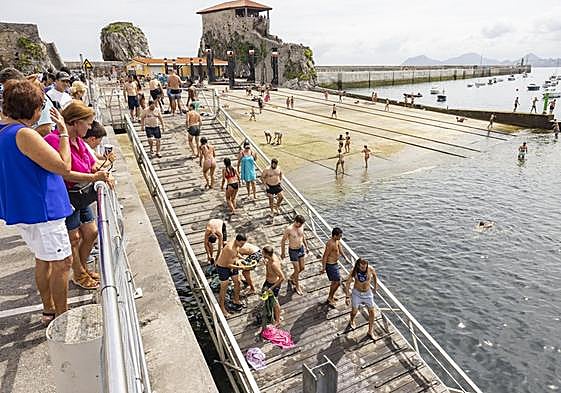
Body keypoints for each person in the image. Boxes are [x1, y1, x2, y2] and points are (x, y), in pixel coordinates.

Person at [0, 80, 73, 325]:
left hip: (27, 209)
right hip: (44, 210)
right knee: (62, 263)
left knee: (43, 258)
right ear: (32, 109)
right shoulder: (24, 134)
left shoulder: (5, 131)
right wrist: (63, 132)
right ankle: (62, 316)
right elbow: (63, 166)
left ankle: (48, 308)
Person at [45, 101, 113, 291]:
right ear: (75, 122)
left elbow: (89, 163)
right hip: (67, 196)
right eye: (88, 123)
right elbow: (64, 172)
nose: (90, 127)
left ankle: (82, 267)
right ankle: (79, 274)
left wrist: (102, 172)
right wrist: (94, 176)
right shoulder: (55, 140)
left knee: (91, 232)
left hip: (82, 195)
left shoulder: (79, 141)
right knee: (73, 237)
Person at [215, 233, 250, 315]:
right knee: (224, 287)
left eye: (244, 244)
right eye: (241, 243)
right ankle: (222, 307)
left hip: (232, 265)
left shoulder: (236, 245)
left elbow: (236, 253)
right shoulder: (229, 249)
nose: (242, 245)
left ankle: (236, 300)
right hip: (223, 267)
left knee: (238, 282)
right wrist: (242, 268)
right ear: (237, 241)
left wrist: (243, 259)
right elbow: (228, 265)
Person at [344, 258, 378, 340]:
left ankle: (370, 331)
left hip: (368, 293)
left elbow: (375, 276)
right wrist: (347, 296)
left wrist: (375, 287)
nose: (363, 269)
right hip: (357, 293)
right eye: (362, 267)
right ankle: (352, 320)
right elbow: (348, 283)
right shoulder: (354, 271)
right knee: (354, 311)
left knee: (372, 312)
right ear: (358, 265)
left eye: (365, 267)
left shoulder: (370, 269)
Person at [280, 215, 309, 295]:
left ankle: (292, 277)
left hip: (301, 248)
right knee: (297, 269)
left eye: (301, 224)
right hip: (293, 250)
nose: (300, 226)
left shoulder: (301, 226)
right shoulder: (289, 229)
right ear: (295, 221)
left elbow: (303, 236)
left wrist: (306, 246)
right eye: (299, 224)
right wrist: (283, 252)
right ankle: (297, 286)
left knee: (302, 268)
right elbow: (283, 241)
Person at [321, 227, 348, 307]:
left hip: (335, 264)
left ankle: (331, 296)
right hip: (330, 265)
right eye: (340, 236)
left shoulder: (337, 241)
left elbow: (340, 248)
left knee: (334, 282)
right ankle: (330, 298)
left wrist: (345, 257)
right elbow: (325, 256)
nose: (341, 237)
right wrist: (323, 267)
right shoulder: (331, 243)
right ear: (335, 236)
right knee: (338, 282)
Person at [261, 245, 285, 326]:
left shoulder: (274, 264)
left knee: (275, 303)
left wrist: (271, 288)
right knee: (265, 296)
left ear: (266, 254)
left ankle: (278, 320)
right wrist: (265, 262)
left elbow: (282, 278)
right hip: (267, 282)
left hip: (273, 285)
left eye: (263, 252)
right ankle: (274, 312)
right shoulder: (271, 257)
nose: (262, 253)